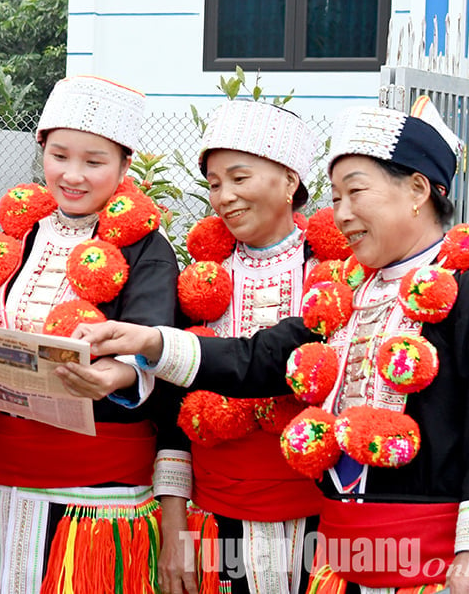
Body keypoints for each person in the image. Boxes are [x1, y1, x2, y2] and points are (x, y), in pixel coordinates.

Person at [81, 100, 469, 594]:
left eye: (356, 193)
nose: (341, 215)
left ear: (417, 189)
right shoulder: (349, 294)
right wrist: (153, 342)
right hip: (345, 561)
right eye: (336, 197)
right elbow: (259, 359)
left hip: (435, 570)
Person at [0, 75, 193, 594]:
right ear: (41, 151)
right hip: (2, 481)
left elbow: (148, 344)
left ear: (125, 166)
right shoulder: (16, 236)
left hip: (97, 494)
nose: (72, 175)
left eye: (94, 162)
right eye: (59, 156)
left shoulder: (148, 249)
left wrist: (111, 376)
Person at [182, 100, 325, 594]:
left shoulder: (334, 274)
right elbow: (173, 402)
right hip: (220, 501)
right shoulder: (200, 280)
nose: (225, 197)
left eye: (239, 178)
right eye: (215, 184)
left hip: (318, 506)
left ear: (289, 181)